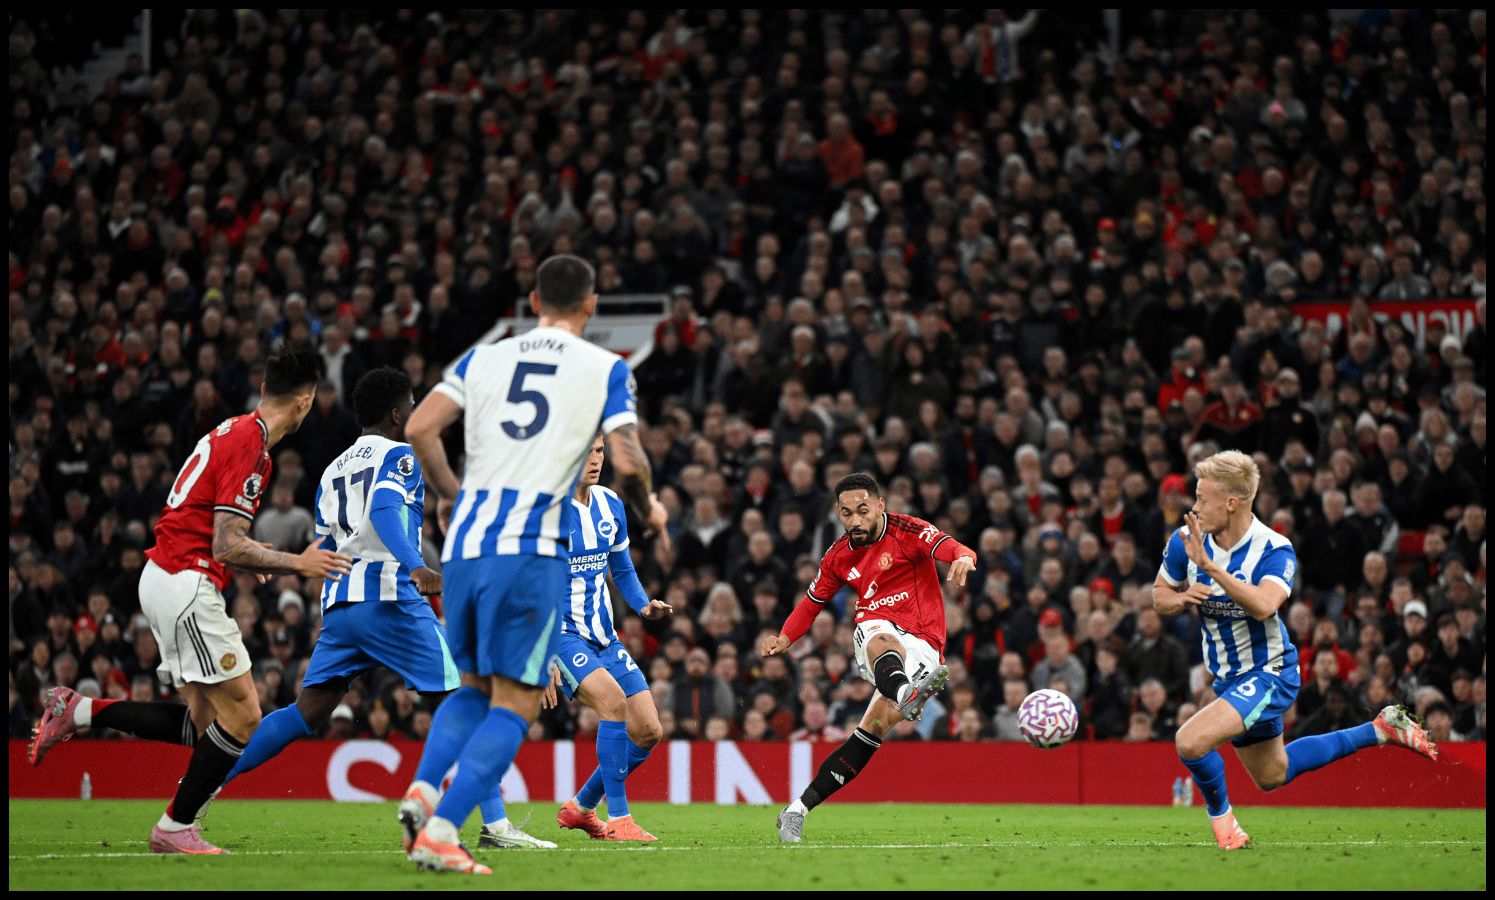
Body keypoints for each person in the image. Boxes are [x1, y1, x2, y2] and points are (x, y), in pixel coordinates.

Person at [397, 255, 667, 875]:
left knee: (473, 688)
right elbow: (629, 460)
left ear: (533, 299)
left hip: (465, 542)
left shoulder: (484, 354)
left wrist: (448, 496)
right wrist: (651, 510)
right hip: (529, 546)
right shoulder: (604, 368)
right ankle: (441, 825)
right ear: (592, 304)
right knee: (516, 702)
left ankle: (424, 786)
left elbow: (419, 427)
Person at [27, 351, 352, 855]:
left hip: (163, 577)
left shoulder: (232, 429)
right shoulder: (254, 446)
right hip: (186, 581)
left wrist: (255, 556)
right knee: (244, 716)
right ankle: (175, 827)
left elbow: (219, 531)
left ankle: (81, 709)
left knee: (204, 724)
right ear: (305, 401)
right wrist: (296, 562)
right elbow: (225, 543)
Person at [1155, 450, 1436, 852]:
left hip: (1270, 672)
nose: (1194, 507)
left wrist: (1213, 570)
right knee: (1273, 774)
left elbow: (1265, 604)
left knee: (1190, 741)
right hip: (1229, 679)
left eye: (1202, 498)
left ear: (1232, 502)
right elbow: (1158, 596)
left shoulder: (1274, 548)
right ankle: (1381, 729)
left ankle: (1225, 827)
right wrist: (1182, 598)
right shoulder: (1186, 542)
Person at [214, 369, 468, 802]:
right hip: (390, 597)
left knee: (306, 712)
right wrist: (415, 565)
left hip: (341, 604)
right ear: (396, 413)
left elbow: (328, 541)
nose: (414, 411)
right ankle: (492, 823)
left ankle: (205, 782)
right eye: (411, 404)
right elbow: (386, 509)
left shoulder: (333, 470)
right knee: (462, 697)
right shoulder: (402, 456)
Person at [762, 472, 976, 842]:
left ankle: (795, 810)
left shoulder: (908, 531)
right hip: (877, 630)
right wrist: (785, 638)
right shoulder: (838, 556)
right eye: (847, 513)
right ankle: (906, 691)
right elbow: (812, 603)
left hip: (926, 642)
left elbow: (950, 547)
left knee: (870, 732)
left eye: (863, 510)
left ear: (880, 505)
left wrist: (964, 558)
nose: (855, 520)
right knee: (878, 633)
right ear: (837, 513)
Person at [479, 434, 671, 845]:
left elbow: (621, 569)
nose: (595, 460)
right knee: (613, 704)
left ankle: (582, 807)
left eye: (600, 451)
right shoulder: (546, 512)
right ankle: (619, 819)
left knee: (649, 730)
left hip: (603, 635)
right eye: (586, 452)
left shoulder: (609, 503)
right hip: (561, 635)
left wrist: (641, 606)